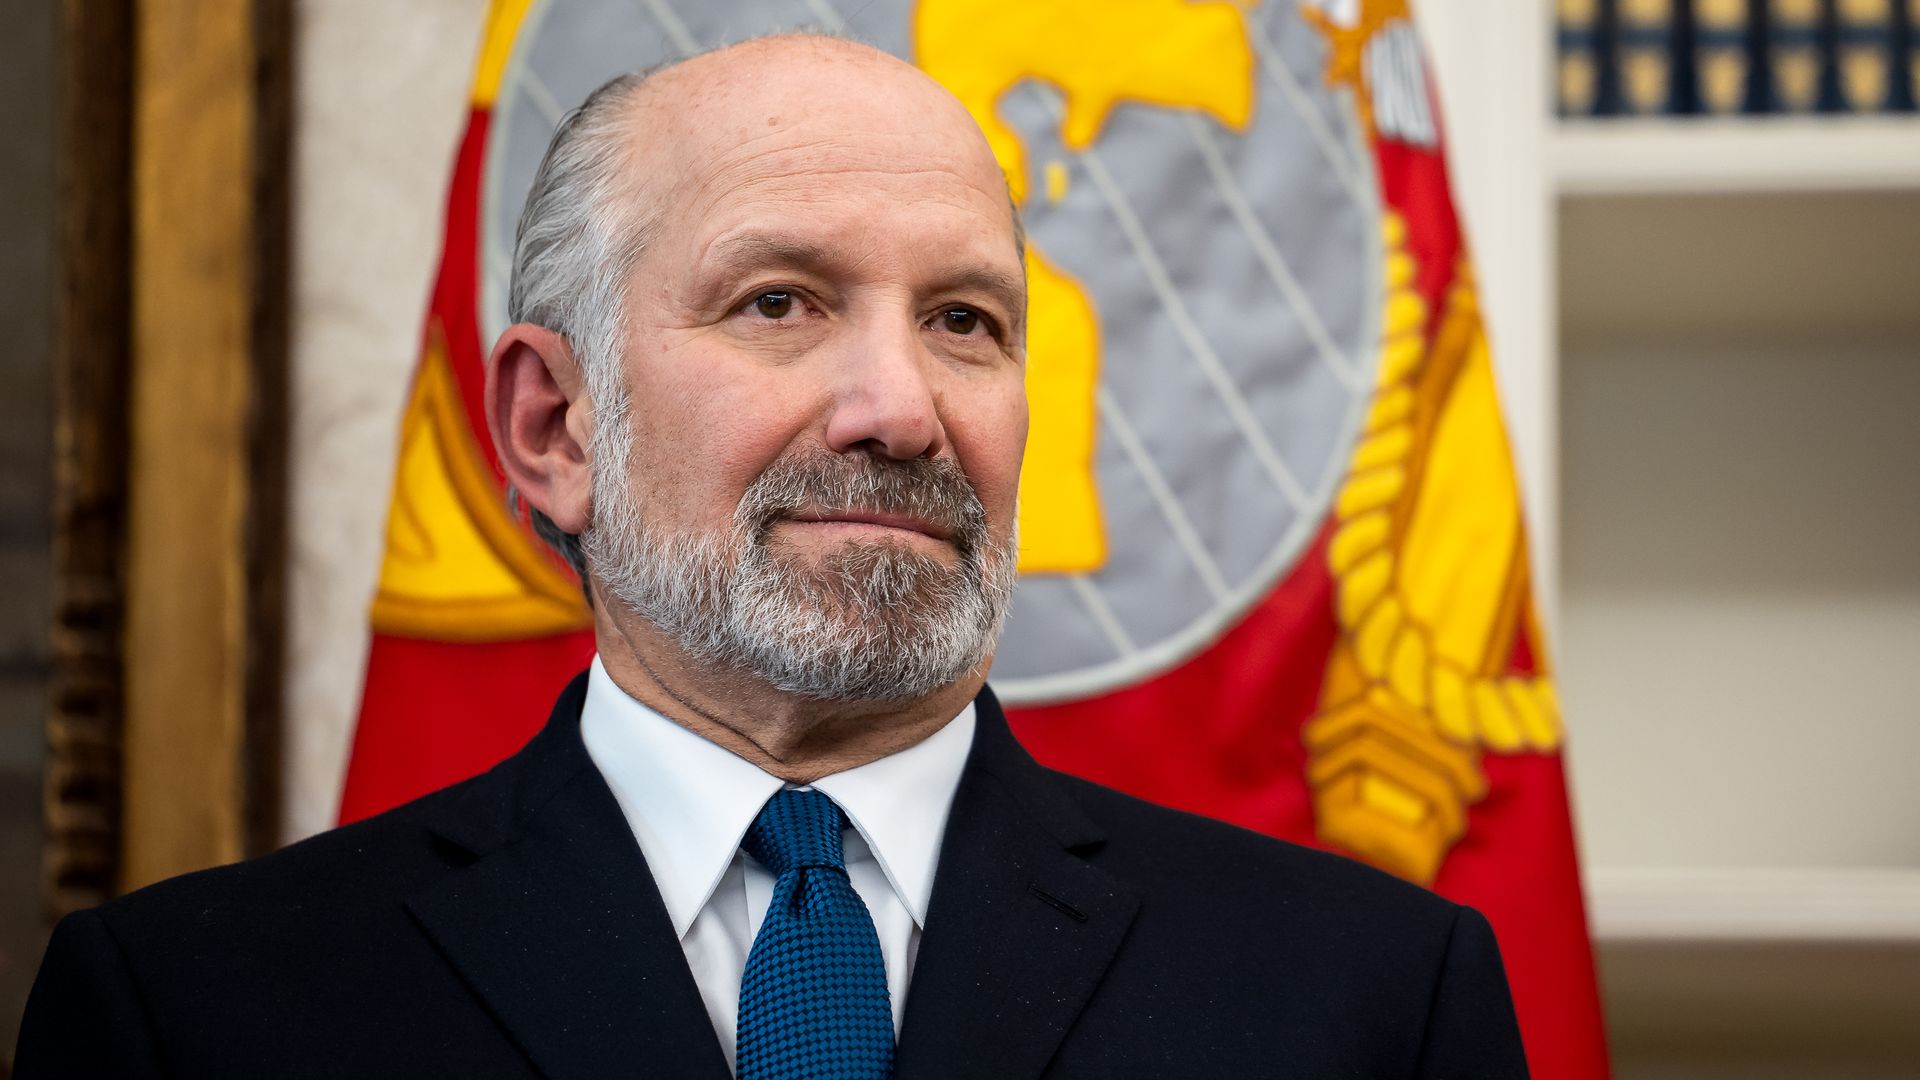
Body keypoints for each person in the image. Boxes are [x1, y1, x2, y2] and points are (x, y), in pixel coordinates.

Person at [16, 35, 1529, 1078]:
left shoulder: (1371, 1003)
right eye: (780, 304)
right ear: (553, 426)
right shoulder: (195, 1017)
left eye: (965, 322)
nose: (901, 411)